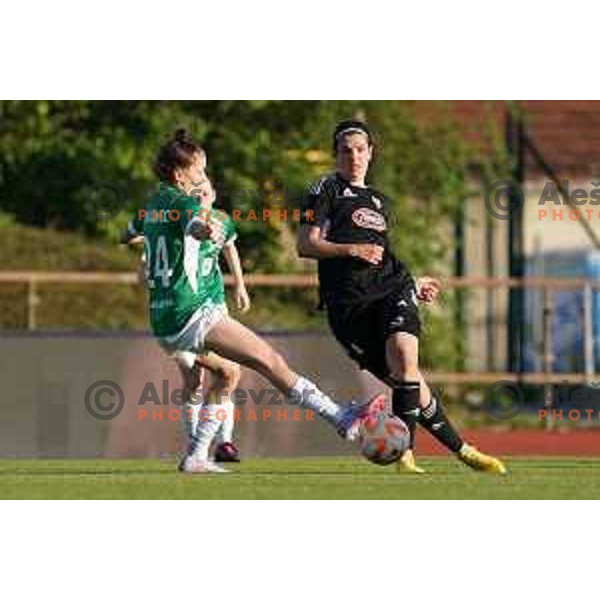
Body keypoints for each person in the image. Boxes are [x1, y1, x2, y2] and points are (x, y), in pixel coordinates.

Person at [130, 128, 384, 474]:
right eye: (199, 172)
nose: (204, 179)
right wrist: (205, 211)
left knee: (228, 374)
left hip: (165, 320)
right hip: (191, 313)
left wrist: (147, 248)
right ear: (179, 175)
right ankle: (340, 417)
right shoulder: (185, 202)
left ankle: (196, 456)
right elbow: (198, 228)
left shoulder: (153, 204)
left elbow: (128, 231)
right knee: (269, 359)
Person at [297, 119, 507, 475]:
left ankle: (406, 453)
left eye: (360, 150)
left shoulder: (380, 201)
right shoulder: (322, 189)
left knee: (405, 354)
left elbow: (383, 256)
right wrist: (351, 250)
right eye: (346, 150)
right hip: (348, 307)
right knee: (409, 379)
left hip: (391, 289)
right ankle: (464, 450)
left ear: (371, 153)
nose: (354, 157)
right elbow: (305, 244)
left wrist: (412, 282)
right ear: (335, 155)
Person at [124, 177, 247, 463]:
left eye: (205, 192)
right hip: (182, 314)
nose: (201, 197)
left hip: (213, 309)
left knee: (227, 372)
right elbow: (145, 265)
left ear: (214, 195)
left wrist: (240, 285)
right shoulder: (176, 223)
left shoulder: (221, 221)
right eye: (195, 193)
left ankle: (224, 443)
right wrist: (148, 249)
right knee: (194, 378)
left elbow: (229, 247)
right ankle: (195, 442)